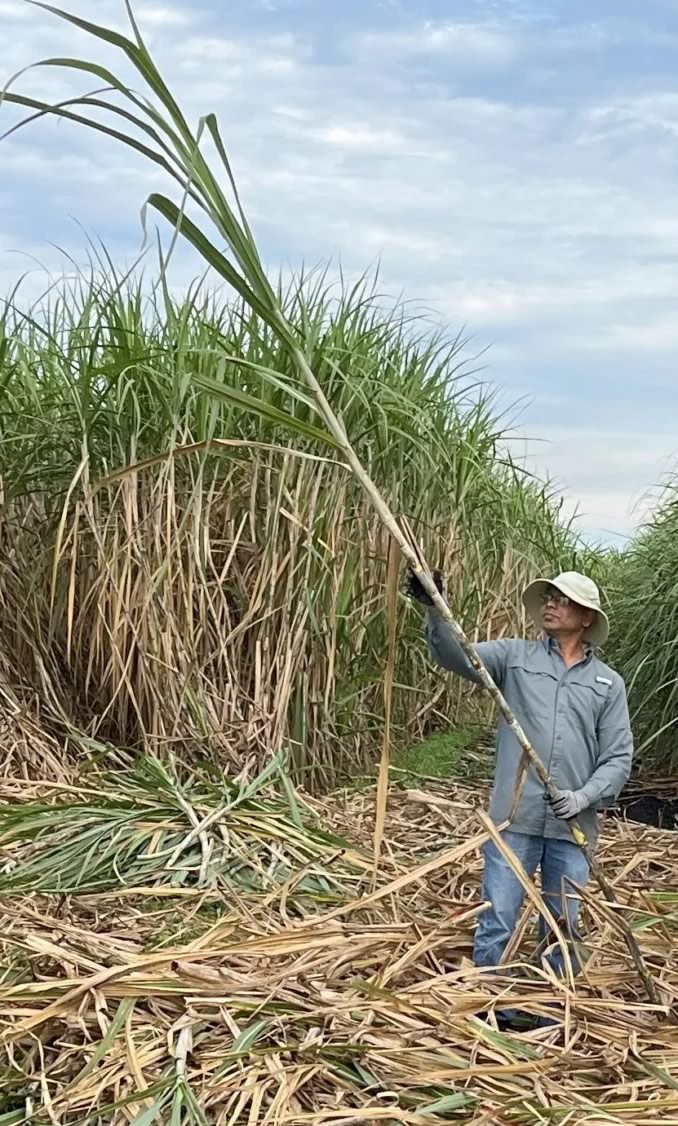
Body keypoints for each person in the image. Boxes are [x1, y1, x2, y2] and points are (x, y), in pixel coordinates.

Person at [407, 569, 633, 1020]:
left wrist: (583, 797)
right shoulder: (514, 657)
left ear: (586, 617)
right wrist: (433, 607)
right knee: (498, 916)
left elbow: (619, 757)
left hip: (574, 827)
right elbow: (458, 655)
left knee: (564, 923)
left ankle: (554, 1012)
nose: (550, 604)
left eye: (562, 600)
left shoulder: (608, 683)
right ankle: (493, 1011)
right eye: (548, 597)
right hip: (515, 818)